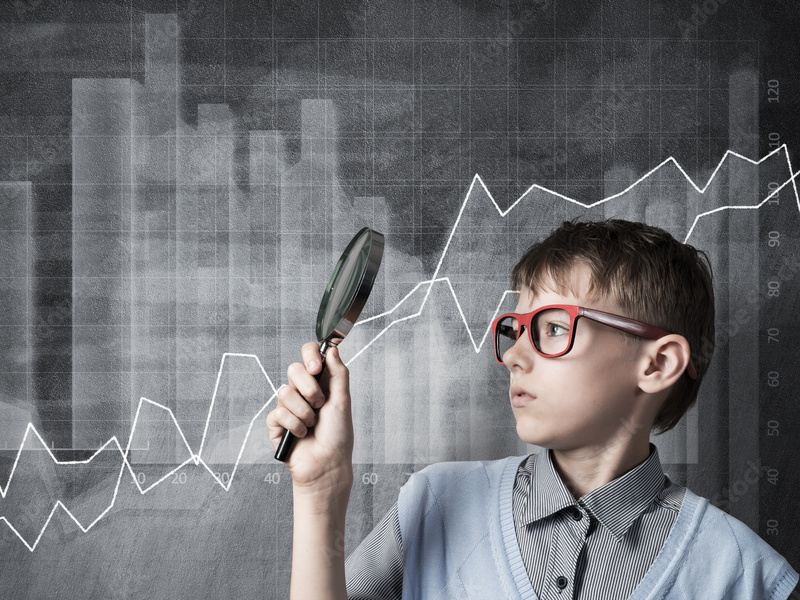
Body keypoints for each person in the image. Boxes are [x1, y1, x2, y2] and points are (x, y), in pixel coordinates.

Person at [267, 218, 799, 599]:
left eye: (552, 329)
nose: (515, 355)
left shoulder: (746, 576)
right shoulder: (432, 503)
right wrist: (320, 492)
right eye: (514, 331)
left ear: (657, 365)